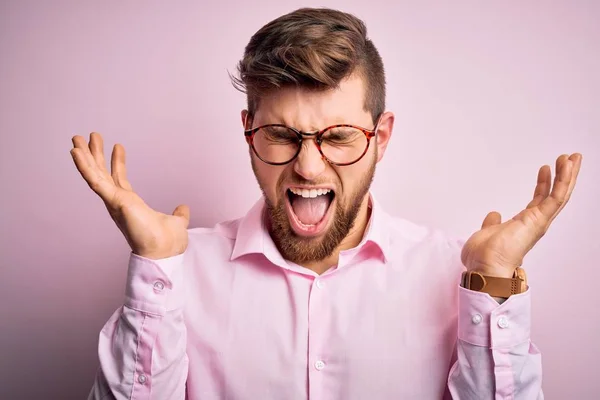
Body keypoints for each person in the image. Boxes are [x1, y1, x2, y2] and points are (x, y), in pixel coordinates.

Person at [71, 8, 582, 400]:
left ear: (381, 137)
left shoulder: (458, 276)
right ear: (249, 131)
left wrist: (492, 280)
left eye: (338, 136)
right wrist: (156, 272)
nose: (309, 168)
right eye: (280, 134)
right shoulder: (177, 276)